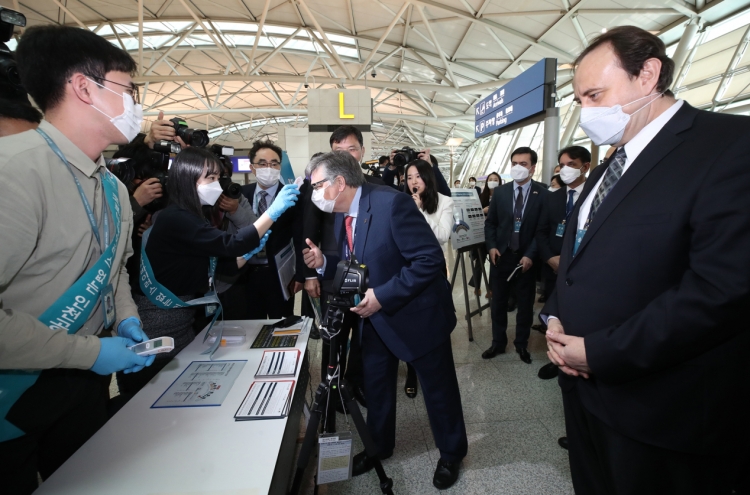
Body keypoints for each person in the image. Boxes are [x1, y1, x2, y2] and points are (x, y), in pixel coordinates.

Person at [542, 26, 750, 495]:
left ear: (648, 74)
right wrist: (555, 314)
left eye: (595, 94)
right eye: (580, 100)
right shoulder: (608, 167)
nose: (587, 112)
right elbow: (578, 260)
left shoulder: (729, 145)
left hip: (664, 410)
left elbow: (722, 290)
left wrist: (601, 352)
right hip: (583, 397)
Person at [0, 25, 156, 493]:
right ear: (84, 88)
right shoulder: (15, 172)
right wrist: (91, 353)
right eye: (128, 90)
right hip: (13, 394)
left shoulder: (111, 186)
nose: (136, 105)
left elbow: (115, 273)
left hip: (83, 383)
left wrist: (125, 319)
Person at [303, 151, 468, 489]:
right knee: (377, 388)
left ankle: (451, 453)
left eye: (317, 185)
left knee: (439, 391)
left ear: (339, 182)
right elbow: (354, 263)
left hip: (418, 315)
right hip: (374, 318)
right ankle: (379, 447)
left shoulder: (391, 204)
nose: (314, 193)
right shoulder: (342, 212)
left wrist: (381, 296)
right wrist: (324, 263)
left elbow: (428, 259)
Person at [483, 147, 547, 363]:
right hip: (501, 256)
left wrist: (531, 254)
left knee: (525, 304)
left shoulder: (543, 193)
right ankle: (498, 343)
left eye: (523, 164)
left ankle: (522, 344)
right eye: (514, 163)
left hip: (526, 259)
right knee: (498, 302)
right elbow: (491, 223)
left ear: (533, 168)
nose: (518, 168)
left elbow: (542, 230)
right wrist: (491, 246)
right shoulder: (501, 192)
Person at [535, 146, 590, 382]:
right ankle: (555, 359)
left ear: (585, 167)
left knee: (577, 312)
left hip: (581, 265)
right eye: (562, 164)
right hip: (553, 265)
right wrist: (550, 258)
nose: (565, 169)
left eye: (572, 164)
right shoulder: (553, 197)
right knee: (554, 314)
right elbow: (541, 231)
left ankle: (578, 356)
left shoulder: (594, 195)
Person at [402, 159, 455, 399]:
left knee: (433, 321)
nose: (413, 182)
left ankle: (433, 372)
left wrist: (420, 211)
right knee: (411, 323)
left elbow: (442, 236)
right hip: (406, 269)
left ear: (427, 177)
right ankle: (412, 372)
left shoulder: (445, 202)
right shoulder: (400, 201)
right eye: (409, 177)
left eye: (418, 177)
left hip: (433, 269)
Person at [238, 140, 304, 319]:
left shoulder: (292, 196)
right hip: (246, 275)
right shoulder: (240, 194)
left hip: (279, 274)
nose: (269, 167)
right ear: (252, 168)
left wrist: (300, 274)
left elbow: (299, 237)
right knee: (250, 325)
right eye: (263, 163)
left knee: (281, 323)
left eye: (274, 163)